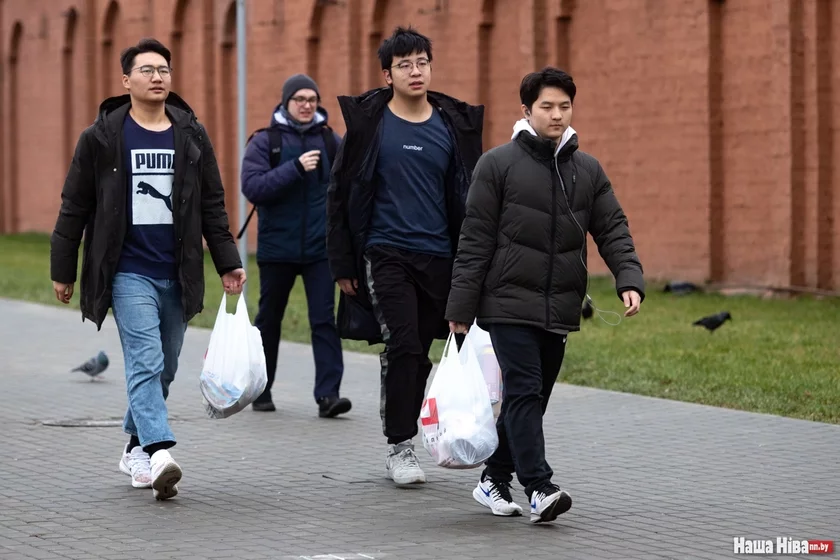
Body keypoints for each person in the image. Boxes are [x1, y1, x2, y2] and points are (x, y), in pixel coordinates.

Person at [445, 67, 645, 523]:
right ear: (527, 111)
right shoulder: (497, 165)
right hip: (507, 302)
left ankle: (493, 479)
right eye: (547, 107)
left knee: (530, 399)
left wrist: (628, 278)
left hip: (559, 305)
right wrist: (460, 308)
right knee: (525, 390)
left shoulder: (586, 169)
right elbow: (474, 239)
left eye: (564, 106)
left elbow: (612, 227)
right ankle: (540, 487)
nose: (556, 115)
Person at [49, 38, 245, 501]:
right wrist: (64, 269)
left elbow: (212, 204)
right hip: (126, 270)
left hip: (177, 270)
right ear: (126, 81)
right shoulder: (101, 137)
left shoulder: (191, 135)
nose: (158, 77)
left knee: (167, 366)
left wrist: (228, 261)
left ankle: (134, 444)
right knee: (146, 360)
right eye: (147, 70)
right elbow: (74, 205)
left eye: (164, 70)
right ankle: (159, 452)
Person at [326, 26, 484, 486]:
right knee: (404, 344)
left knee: (420, 353)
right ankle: (400, 446)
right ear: (387, 74)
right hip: (385, 251)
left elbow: (468, 196)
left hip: (440, 254)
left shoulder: (452, 125)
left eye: (422, 62)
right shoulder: (369, 125)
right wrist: (342, 264)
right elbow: (339, 194)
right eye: (404, 65)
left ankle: (407, 419)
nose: (415, 71)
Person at [241, 74, 350, 418]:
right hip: (277, 248)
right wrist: (295, 168)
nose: (306, 105)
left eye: (312, 99)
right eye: (299, 99)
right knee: (269, 320)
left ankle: (328, 395)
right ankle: (261, 389)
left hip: (320, 250)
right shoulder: (265, 141)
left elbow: (347, 190)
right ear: (286, 103)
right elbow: (253, 187)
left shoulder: (331, 141)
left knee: (324, 321)